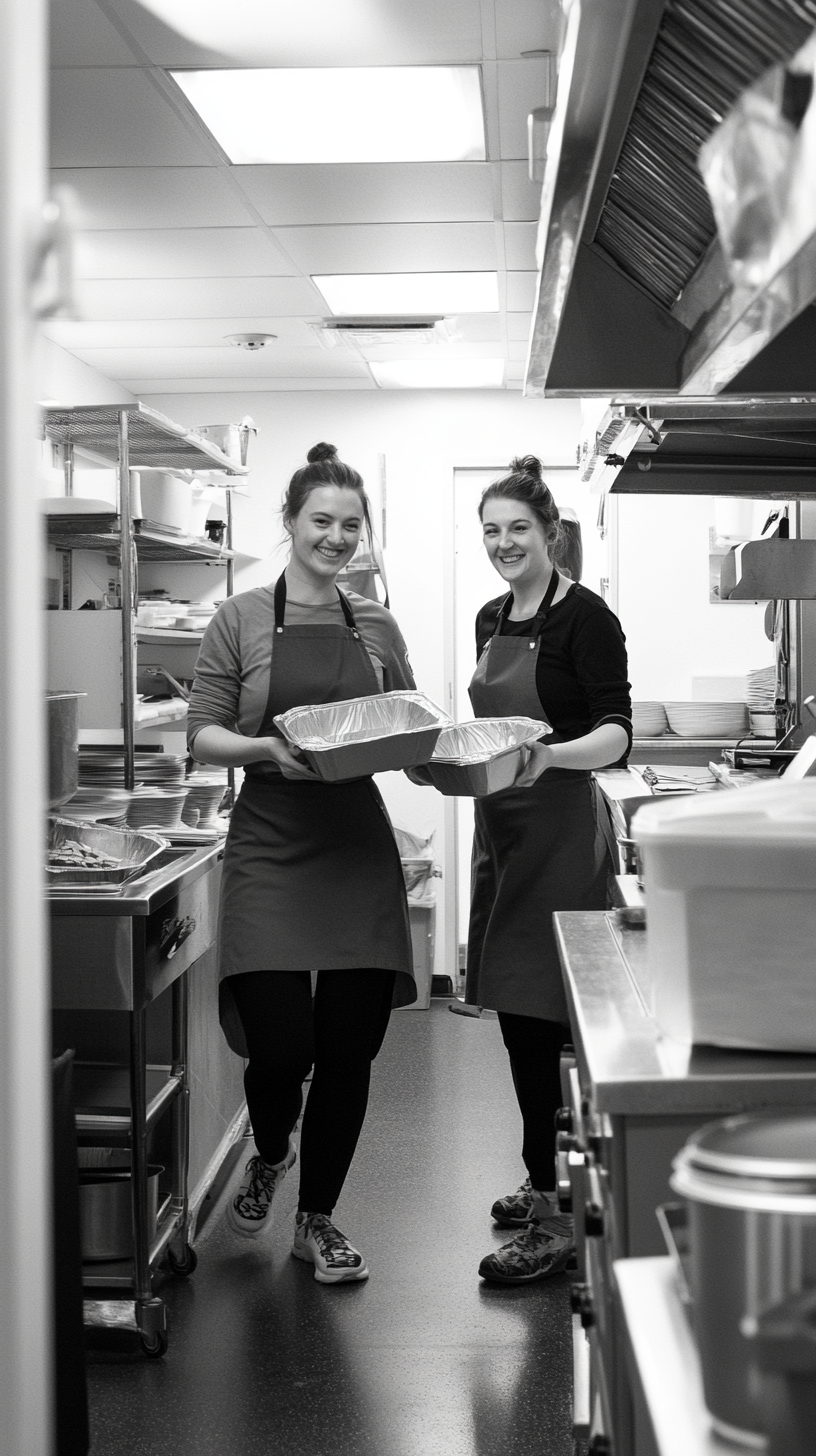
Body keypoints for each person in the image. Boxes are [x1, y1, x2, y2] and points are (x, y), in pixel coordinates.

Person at [187, 442, 417, 1284]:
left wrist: (462, 760)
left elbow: (410, 726)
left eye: (351, 525)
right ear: (288, 524)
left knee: (350, 1049)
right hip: (270, 843)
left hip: (354, 846)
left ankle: (317, 1219)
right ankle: (272, 1150)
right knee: (281, 1048)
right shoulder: (240, 617)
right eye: (322, 521)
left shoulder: (378, 623)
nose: (337, 537)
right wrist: (265, 749)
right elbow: (203, 731)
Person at [466, 456, 631, 1284]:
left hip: (562, 827)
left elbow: (617, 733)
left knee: (552, 1025)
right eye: (492, 532)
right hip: (501, 829)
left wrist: (548, 757)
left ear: (550, 534)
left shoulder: (586, 619)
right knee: (515, 1017)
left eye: (518, 530)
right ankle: (545, 1179)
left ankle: (565, 1213)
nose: (504, 544)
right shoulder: (490, 616)